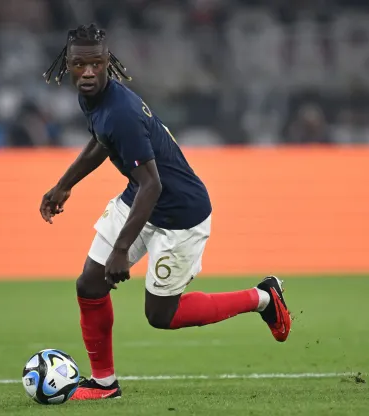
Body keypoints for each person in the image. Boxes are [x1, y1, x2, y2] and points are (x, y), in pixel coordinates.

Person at [39, 24, 292, 400]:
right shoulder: (94, 99)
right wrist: (65, 183)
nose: (88, 72)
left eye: (96, 64)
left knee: (161, 316)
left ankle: (263, 298)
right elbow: (102, 141)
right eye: (79, 65)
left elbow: (153, 184)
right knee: (89, 284)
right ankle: (104, 384)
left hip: (179, 214)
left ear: (109, 62)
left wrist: (122, 249)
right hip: (140, 197)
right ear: (67, 64)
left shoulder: (120, 111)